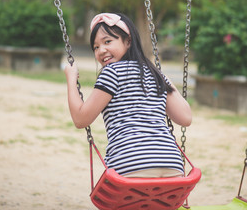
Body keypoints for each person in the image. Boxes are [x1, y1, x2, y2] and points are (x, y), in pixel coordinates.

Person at [65, 13, 192, 178]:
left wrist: (71, 79)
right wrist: (160, 75)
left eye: (107, 41)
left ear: (128, 41)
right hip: (172, 165)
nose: (101, 50)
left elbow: (81, 119)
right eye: (96, 47)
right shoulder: (156, 74)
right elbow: (186, 118)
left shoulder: (111, 73)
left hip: (130, 165)